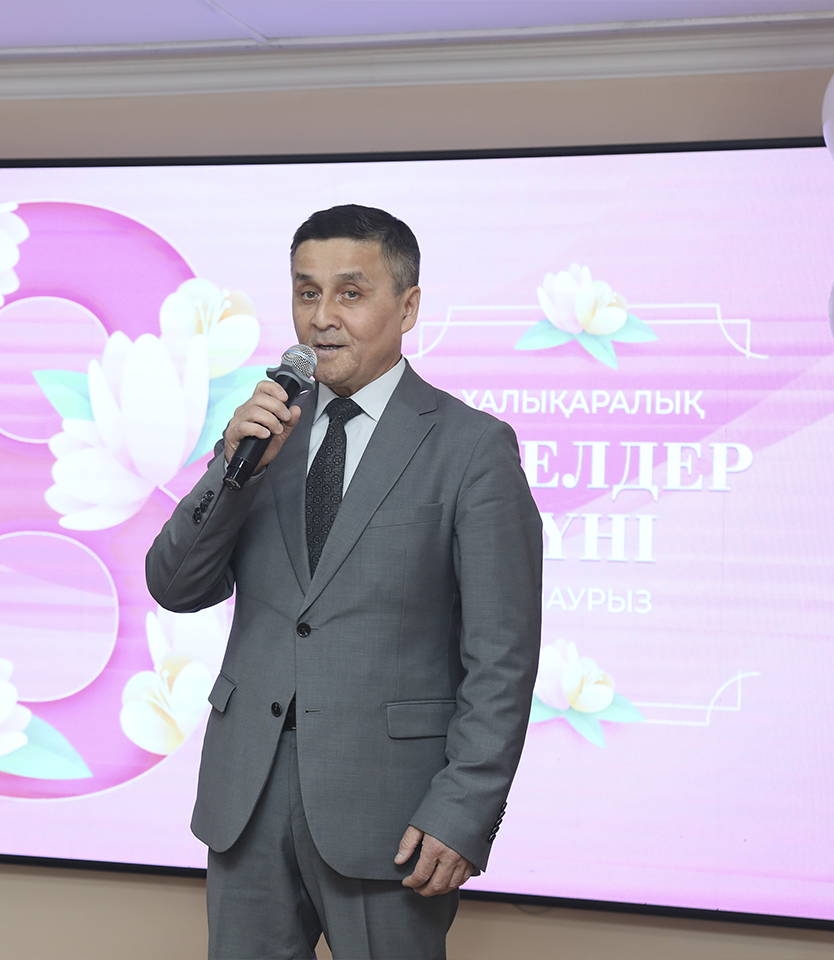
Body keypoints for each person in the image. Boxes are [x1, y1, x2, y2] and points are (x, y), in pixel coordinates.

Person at [146, 204, 542, 959]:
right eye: (307, 292)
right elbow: (175, 585)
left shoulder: (472, 448)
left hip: (392, 811)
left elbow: (503, 657)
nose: (321, 317)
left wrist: (464, 810)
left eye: (350, 293)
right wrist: (233, 471)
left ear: (408, 307)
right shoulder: (264, 433)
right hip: (248, 796)